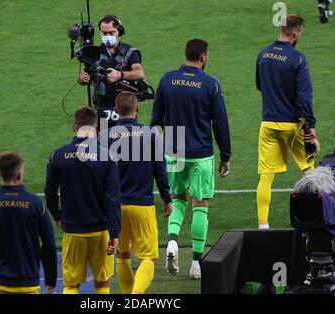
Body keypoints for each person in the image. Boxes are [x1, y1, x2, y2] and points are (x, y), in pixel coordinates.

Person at [150, 39, 231, 279]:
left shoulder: (167, 80)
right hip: (201, 153)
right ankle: (196, 263)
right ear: (204, 56)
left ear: (186, 54)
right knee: (200, 205)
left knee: (178, 200)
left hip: (173, 150)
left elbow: (156, 120)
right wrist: (225, 155)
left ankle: (173, 242)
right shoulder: (210, 84)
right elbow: (221, 124)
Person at [45, 106, 121, 294]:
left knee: (71, 285)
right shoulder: (107, 156)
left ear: (74, 127)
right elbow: (112, 199)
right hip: (101, 232)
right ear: (95, 127)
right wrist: (115, 232)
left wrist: (58, 216)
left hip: (73, 230)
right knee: (102, 284)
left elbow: (50, 194)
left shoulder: (58, 156)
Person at [103, 91, 172, 293]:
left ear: (115, 111)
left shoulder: (104, 136)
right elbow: (160, 171)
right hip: (142, 204)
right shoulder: (151, 135)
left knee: (122, 256)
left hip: (115, 207)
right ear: (138, 108)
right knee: (148, 257)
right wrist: (167, 199)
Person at [255, 14, 319, 229]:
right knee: (308, 170)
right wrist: (310, 127)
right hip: (293, 125)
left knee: (266, 176)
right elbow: (304, 98)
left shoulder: (263, 54)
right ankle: (314, 218)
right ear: (296, 33)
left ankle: (263, 225)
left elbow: (259, 85)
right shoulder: (299, 59)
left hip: (268, 124)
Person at [0, 152, 57, 294]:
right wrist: (51, 278)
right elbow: (49, 244)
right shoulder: (36, 204)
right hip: (28, 284)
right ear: (20, 174)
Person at [78, 15, 145, 128]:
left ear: (119, 31)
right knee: (104, 142)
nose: (107, 36)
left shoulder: (129, 51)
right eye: (104, 33)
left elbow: (140, 74)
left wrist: (120, 75)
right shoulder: (94, 52)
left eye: (111, 32)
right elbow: (81, 79)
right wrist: (82, 77)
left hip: (125, 108)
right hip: (101, 107)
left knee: (126, 140)